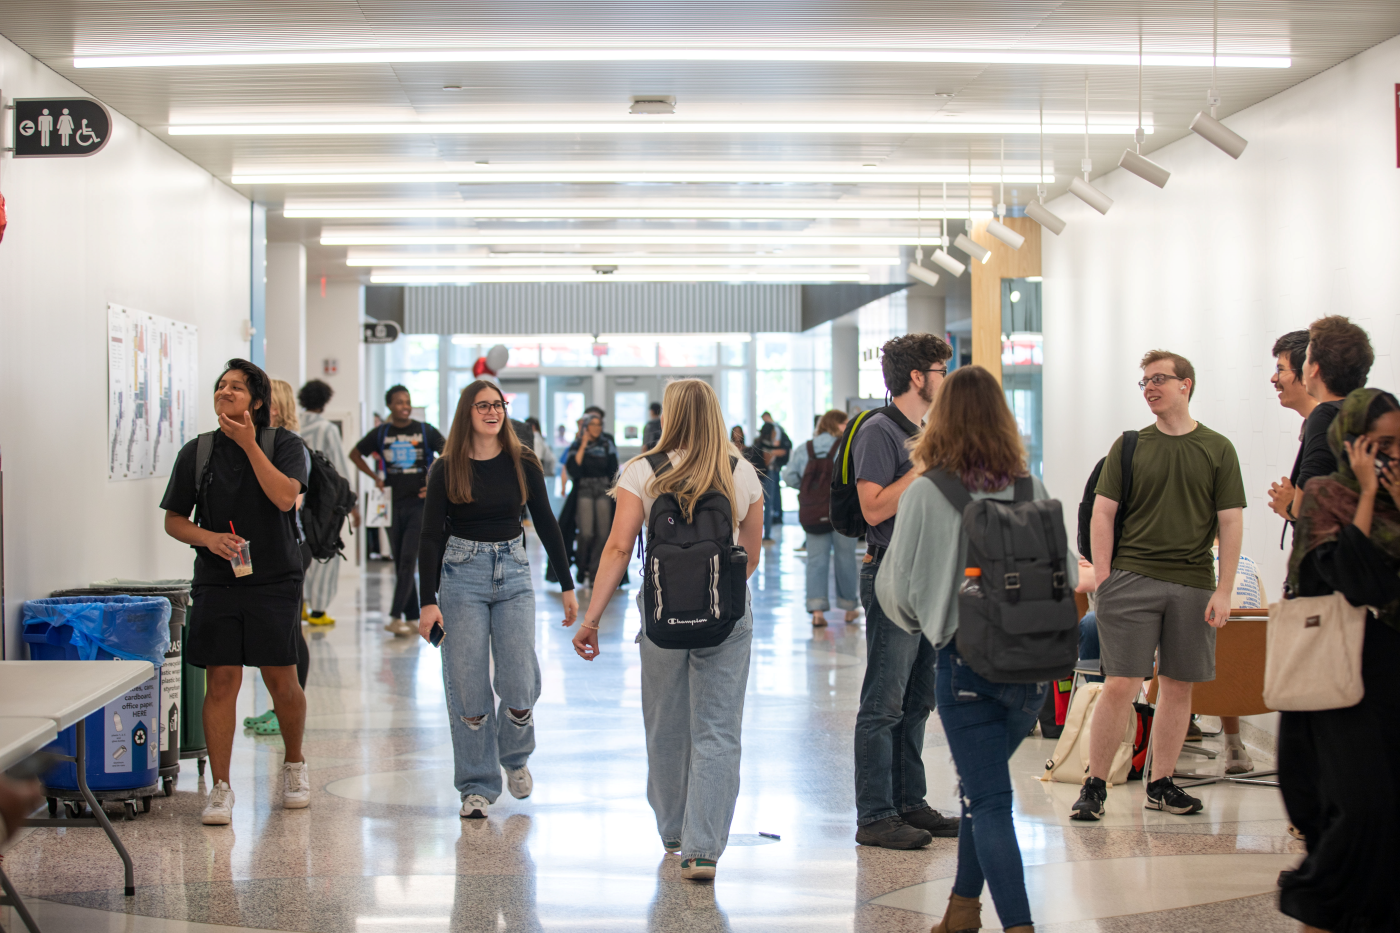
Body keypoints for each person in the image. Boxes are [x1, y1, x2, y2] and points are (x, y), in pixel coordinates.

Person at [878, 364, 1074, 933]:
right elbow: (1063, 572)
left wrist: (931, 619)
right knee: (978, 789)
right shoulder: (1031, 488)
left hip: (966, 669)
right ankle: (961, 912)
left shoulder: (925, 492)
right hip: (1032, 673)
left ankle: (1018, 925)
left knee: (988, 802)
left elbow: (896, 588)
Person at [568, 379, 764, 881]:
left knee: (665, 725)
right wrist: (713, 595)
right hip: (727, 617)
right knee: (718, 728)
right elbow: (752, 555)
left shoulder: (642, 471)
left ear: (668, 416)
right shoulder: (741, 470)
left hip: (660, 615)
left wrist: (592, 619)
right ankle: (704, 850)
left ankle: (674, 831)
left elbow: (616, 548)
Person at [1072, 350, 1246, 822]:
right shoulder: (1130, 445)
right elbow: (1102, 512)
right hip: (1131, 580)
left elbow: (1230, 522)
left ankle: (1162, 782)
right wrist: (1104, 579)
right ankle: (1094, 783)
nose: (1150, 387)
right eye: (1145, 381)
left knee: (1177, 687)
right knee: (1121, 683)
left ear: (1185, 385)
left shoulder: (1217, 448)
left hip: (1192, 584)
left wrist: (1224, 590)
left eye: (1160, 379)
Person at [417, 381, 579, 820]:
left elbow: (546, 521)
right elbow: (430, 536)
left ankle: (516, 756)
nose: (493, 412)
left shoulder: (522, 461)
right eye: (483, 405)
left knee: (519, 680)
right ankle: (476, 785)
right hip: (460, 574)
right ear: (466, 412)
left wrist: (567, 584)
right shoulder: (446, 468)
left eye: (498, 405)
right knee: (468, 687)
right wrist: (426, 601)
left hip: (513, 571)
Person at [160, 359, 310, 825]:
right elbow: (173, 520)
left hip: (274, 580)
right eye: (221, 387)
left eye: (236, 388)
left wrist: (249, 445)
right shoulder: (198, 451)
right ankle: (221, 788)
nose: (225, 393)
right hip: (217, 580)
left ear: (258, 401)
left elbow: (286, 496)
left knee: (280, 678)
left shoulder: (284, 445)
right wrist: (208, 538)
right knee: (221, 679)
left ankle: (295, 764)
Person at [1279, 387, 1400, 933]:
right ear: (1352, 443)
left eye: (1399, 442)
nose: (1392, 454)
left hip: (1390, 675)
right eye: (1381, 443)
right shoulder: (1327, 497)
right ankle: (1318, 911)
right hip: (1338, 676)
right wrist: (1370, 494)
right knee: (1358, 807)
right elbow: (1357, 579)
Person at [852, 333, 960, 849]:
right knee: (884, 701)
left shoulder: (927, 431)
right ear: (917, 377)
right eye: (941, 369)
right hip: (891, 573)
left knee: (918, 699)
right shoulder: (879, 431)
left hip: (928, 575)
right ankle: (875, 815)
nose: (946, 378)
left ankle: (909, 802)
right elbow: (873, 508)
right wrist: (926, 465)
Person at [350, 386, 446, 637]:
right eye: (399, 402)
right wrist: (375, 477)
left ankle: (394, 617)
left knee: (407, 560)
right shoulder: (382, 432)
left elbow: (448, 453)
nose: (405, 406)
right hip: (390, 504)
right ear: (390, 406)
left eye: (408, 402)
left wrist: (433, 479)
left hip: (419, 505)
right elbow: (355, 453)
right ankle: (413, 615)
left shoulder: (424, 430)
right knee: (400, 562)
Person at [784, 409, 859, 627]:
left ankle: (817, 611)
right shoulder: (847, 447)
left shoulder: (804, 448)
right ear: (836, 425)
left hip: (814, 512)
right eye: (845, 423)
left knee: (816, 561)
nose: (848, 426)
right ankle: (849, 608)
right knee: (846, 559)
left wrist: (810, 490)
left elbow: (789, 477)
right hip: (844, 512)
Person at [297, 379, 360, 625]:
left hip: (297, 497)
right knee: (324, 549)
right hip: (323, 501)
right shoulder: (327, 429)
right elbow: (339, 470)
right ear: (325, 402)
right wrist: (351, 503)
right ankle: (318, 610)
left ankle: (301, 604)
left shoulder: (294, 425)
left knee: (301, 546)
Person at [565, 412, 619, 589]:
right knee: (586, 532)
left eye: (599, 425)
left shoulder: (607, 444)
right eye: (593, 425)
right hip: (584, 490)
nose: (597, 428)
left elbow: (613, 469)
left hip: (603, 489)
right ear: (586, 427)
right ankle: (582, 567)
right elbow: (574, 469)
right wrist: (583, 443)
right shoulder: (577, 444)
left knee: (603, 534)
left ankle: (595, 572)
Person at [756, 412, 791, 541]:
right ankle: (766, 534)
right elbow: (768, 459)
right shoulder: (766, 445)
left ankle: (764, 533)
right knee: (768, 504)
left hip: (760, 476)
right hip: (767, 474)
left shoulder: (758, 443)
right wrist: (773, 452)